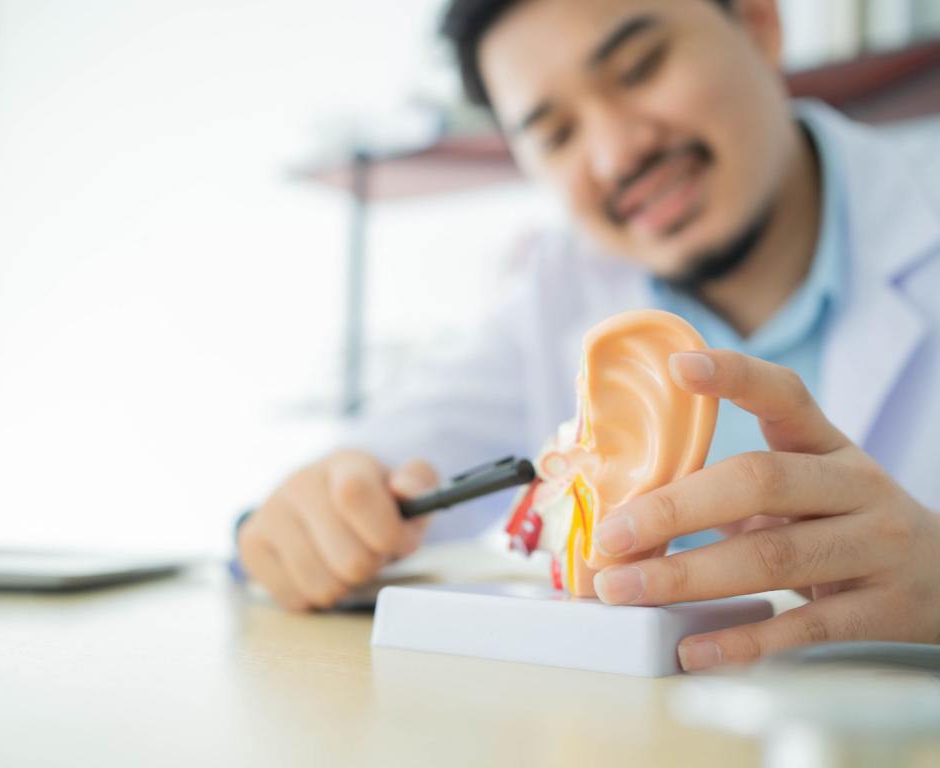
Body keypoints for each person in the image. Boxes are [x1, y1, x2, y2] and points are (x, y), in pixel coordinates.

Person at [237, 0, 940, 670]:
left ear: (758, 22)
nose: (615, 155)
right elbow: (376, 460)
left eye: (639, 68)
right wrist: (313, 519)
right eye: (556, 134)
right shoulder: (561, 286)